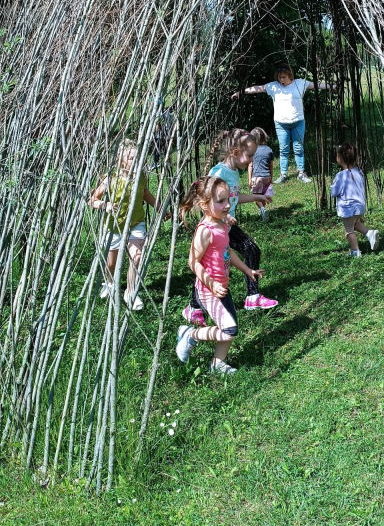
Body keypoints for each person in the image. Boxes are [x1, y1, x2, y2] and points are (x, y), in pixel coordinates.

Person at [176, 177, 266, 373]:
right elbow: (193, 261)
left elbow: (228, 252)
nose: (227, 205)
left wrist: (247, 270)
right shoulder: (205, 231)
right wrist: (211, 283)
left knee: (230, 329)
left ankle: (217, 363)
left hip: (221, 287)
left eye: (228, 200)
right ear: (204, 205)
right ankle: (190, 334)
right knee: (229, 330)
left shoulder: (221, 225)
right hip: (209, 290)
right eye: (220, 201)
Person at [89, 138, 169, 310]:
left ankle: (131, 292)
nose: (136, 161)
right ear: (120, 160)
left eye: (137, 157)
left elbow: (145, 193)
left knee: (137, 257)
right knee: (111, 264)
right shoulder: (110, 179)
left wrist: (160, 208)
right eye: (132, 158)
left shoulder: (140, 176)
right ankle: (109, 283)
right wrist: (106, 205)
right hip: (114, 226)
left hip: (136, 223)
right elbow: (92, 200)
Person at [205, 129, 278, 310]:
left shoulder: (233, 171)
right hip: (215, 230)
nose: (252, 160)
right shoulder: (219, 173)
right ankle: (194, 307)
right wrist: (224, 214)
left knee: (252, 250)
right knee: (210, 269)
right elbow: (206, 201)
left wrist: (256, 197)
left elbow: (234, 197)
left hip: (228, 227)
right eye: (250, 155)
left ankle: (252, 297)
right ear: (236, 153)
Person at [231, 65, 334, 184]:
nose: (281, 80)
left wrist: (334, 86)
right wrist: (240, 92)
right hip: (281, 123)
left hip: (298, 122)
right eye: (279, 77)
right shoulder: (274, 86)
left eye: (284, 77)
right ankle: (283, 174)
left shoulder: (299, 83)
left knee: (298, 148)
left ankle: (301, 173)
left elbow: (317, 84)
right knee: (283, 149)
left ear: (290, 76)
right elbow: (257, 88)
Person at [331, 143, 379, 258]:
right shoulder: (360, 172)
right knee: (354, 223)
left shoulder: (341, 176)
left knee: (349, 230)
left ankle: (355, 252)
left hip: (348, 208)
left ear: (340, 158)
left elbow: (334, 193)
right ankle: (369, 233)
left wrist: (332, 186)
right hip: (360, 206)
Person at [248, 127, 274, 222]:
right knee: (262, 195)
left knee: (256, 196)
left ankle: (262, 209)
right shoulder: (269, 150)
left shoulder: (253, 151)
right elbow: (271, 166)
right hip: (267, 177)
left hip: (257, 177)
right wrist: (271, 177)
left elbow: (250, 165)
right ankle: (263, 213)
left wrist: (250, 179)